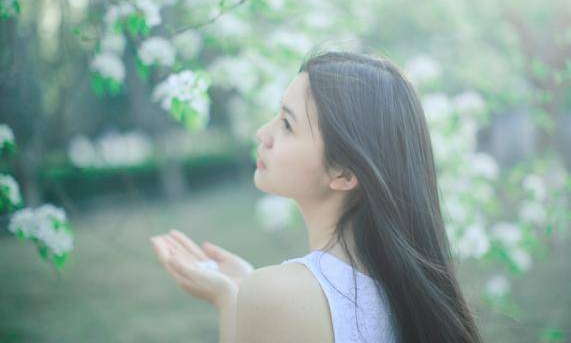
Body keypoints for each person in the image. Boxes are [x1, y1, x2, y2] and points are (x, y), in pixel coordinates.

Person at [150, 48, 483, 343]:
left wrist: (228, 299)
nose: (263, 133)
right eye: (276, 115)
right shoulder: (405, 295)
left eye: (287, 124)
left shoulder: (276, 294)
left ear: (343, 174)